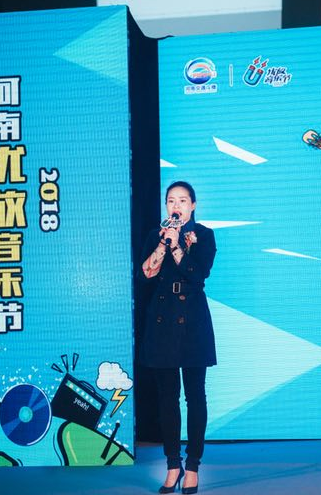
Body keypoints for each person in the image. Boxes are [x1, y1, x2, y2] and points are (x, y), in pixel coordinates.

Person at [139, 181, 217, 494]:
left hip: (193, 321)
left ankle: (193, 465)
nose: (176, 205)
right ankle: (173, 464)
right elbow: (146, 273)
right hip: (161, 321)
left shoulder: (205, 235)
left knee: (195, 395)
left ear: (193, 205)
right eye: (171, 200)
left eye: (183, 200)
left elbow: (198, 274)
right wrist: (163, 243)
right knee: (166, 397)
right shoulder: (156, 235)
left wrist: (176, 246)